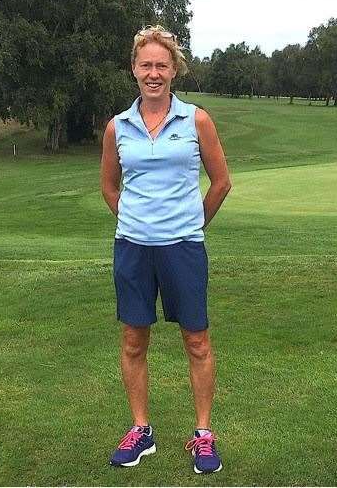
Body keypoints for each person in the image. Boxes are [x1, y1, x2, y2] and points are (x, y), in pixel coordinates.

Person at [100, 25, 231, 474]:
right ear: (134, 69)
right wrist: (134, 222)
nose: (153, 73)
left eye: (161, 65)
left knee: (196, 340)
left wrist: (191, 223)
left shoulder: (196, 119)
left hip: (184, 248)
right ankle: (141, 430)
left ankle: (203, 434)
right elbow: (109, 186)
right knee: (134, 339)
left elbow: (221, 182)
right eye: (145, 65)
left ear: (174, 69)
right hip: (133, 248)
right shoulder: (118, 125)